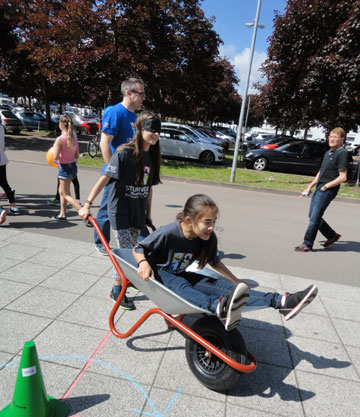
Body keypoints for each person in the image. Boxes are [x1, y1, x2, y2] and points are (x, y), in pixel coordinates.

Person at [133, 194, 318, 331]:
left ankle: (281, 301)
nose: (212, 227)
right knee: (183, 287)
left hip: (179, 273)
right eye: (207, 222)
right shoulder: (169, 232)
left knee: (221, 286)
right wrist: (143, 263)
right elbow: (138, 248)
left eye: (214, 221)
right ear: (189, 220)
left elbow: (214, 262)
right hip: (158, 274)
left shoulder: (206, 237)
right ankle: (217, 307)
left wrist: (235, 281)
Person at [77, 111, 162, 310]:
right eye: (151, 130)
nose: (156, 134)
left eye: (158, 130)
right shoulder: (124, 153)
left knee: (137, 251)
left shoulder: (153, 156)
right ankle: (116, 291)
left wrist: (148, 216)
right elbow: (104, 179)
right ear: (140, 130)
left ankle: (128, 280)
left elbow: (148, 189)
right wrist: (88, 203)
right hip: (120, 211)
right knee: (126, 254)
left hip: (137, 212)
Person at [95, 77, 146, 255]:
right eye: (141, 93)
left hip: (130, 173)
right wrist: (112, 170)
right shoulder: (115, 112)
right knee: (106, 210)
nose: (143, 97)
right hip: (115, 172)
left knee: (127, 208)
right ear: (128, 93)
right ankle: (100, 242)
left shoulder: (135, 117)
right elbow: (104, 143)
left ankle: (136, 241)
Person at [295, 127, 348, 252]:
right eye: (330, 136)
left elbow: (343, 177)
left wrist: (326, 186)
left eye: (335, 137)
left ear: (342, 139)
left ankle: (307, 243)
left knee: (314, 217)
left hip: (327, 190)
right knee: (313, 216)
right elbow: (321, 172)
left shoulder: (342, 153)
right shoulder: (328, 152)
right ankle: (331, 236)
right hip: (320, 189)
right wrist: (310, 187)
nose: (332, 139)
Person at [51, 114, 79, 221]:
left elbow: (55, 157)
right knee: (62, 191)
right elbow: (77, 155)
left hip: (65, 168)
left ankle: (84, 212)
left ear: (61, 125)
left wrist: (54, 150)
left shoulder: (60, 139)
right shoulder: (74, 137)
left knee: (66, 194)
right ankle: (62, 214)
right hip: (73, 167)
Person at [0, 117, 19, 215]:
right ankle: (13, 206)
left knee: (4, 183)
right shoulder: (1, 127)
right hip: (2, 158)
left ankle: (1, 211)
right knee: (4, 183)